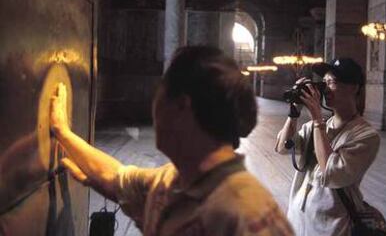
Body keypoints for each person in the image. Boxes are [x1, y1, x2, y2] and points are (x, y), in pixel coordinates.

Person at [50, 46, 293, 236]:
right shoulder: (174, 181)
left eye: (158, 93)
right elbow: (116, 178)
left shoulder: (250, 216)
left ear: (181, 106)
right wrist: (63, 132)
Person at [274, 58, 380, 236]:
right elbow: (282, 148)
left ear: (354, 88)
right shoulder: (316, 127)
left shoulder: (366, 136)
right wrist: (294, 112)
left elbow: (333, 175)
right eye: (324, 83)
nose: (325, 89)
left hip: (331, 226)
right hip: (298, 220)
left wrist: (316, 119)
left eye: (332, 82)